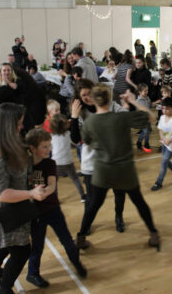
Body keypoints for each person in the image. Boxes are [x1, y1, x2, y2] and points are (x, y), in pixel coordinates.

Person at [75, 86, 160, 251]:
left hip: (102, 170)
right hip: (125, 170)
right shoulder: (121, 117)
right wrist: (133, 101)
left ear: (93, 100)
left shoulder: (89, 122)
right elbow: (151, 118)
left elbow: (86, 140)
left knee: (93, 205)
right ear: (110, 99)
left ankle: (80, 237)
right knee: (139, 202)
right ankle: (153, 234)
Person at [0, 102, 46, 294]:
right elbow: (0, 194)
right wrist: (31, 193)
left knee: (8, 242)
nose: (21, 127)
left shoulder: (10, 143)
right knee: (21, 249)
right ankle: (4, 289)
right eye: (18, 123)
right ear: (7, 125)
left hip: (8, 205)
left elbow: (24, 168)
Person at [24, 128, 87, 288]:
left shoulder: (50, 163)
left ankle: (77, 263)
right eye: (44, 146)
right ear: (32, 148)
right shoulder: (25, 165)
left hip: (52, 209)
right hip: (36, 213)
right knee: (37, 245)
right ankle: (32, 273)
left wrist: (44, 192)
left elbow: (52, 184)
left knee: (66, 240)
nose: (49, 149)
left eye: (49, 146)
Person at [70, 79, 130, 233]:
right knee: (91, 198)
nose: (88, 97)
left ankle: (119, 216)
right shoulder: (80, 112)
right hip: (92, 163)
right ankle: (87, 222)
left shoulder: (108, 104)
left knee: (119, 192)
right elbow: (76, 140)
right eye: (84, 95)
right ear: (79, 97)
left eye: (89, 93)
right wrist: (74, 117)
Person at [50, 114, 86, 202]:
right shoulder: (68, 134)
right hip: (68, 163)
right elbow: (75, 143)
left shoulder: (51, 136)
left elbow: (50, 148)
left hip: (56, 163)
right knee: (75, 179)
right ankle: (83, 196)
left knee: (54, 182)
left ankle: (55, 199)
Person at [151, 97, 172, 191]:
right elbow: (160, 128)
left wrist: (170, 140)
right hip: (164, 144)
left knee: (163, 163)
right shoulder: (162, 117)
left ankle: (159, 183)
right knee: (166, 163)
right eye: (163, 108)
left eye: (167, 109)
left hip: (171, 146)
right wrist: (162, 137)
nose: (164, 111)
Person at [136, 84, 152, 153]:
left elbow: (149, 106)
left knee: (147, 132)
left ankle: (145, 143)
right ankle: (140, 142)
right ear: (140, 92)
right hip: (142, 119)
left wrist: (154, 104)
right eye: (144, 91)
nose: (146, 92)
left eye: (147, 90)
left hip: (148, 118)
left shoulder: (147, 98)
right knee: (145, 131)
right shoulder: (139, 101)